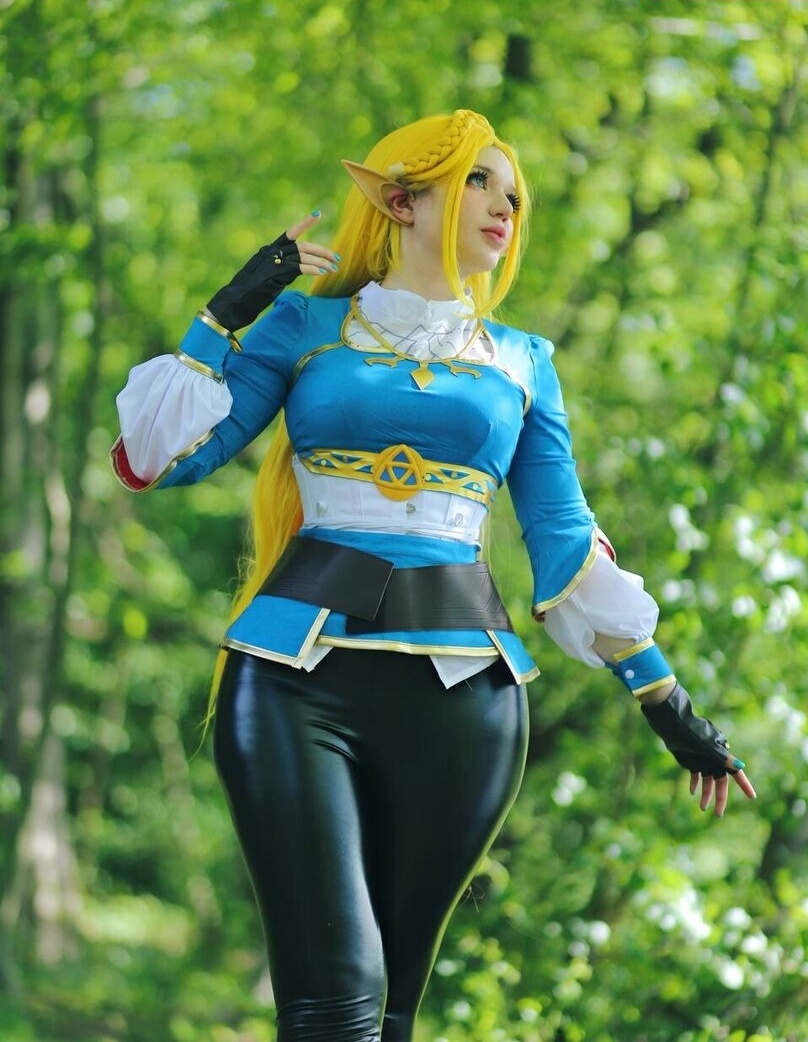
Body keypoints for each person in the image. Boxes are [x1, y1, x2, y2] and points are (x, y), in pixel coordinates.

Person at [111, 109, 757, 1042]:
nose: (505, 206)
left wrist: (666, 701)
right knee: (336, 1002)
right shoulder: (305, 326)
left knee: (393, 1012)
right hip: (294, 683)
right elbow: (162, 460)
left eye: (515, 194)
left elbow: (564, 537)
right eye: (479, 181)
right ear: (402, 201)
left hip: (468, 698)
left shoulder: (523, 362)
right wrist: (222, 318)